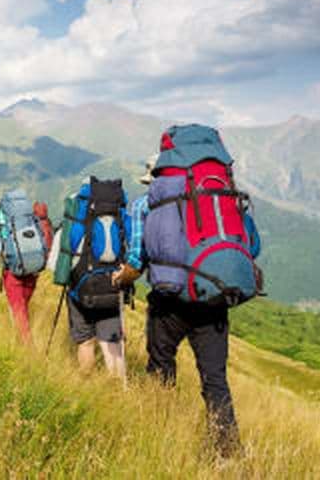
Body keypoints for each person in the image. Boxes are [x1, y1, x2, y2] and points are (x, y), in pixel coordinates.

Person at [113, 153, 245, 457]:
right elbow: (251, 244)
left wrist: (123, 278)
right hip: (211, 300)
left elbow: (136, 259)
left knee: (160, 367)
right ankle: (226, 454)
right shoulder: (214, 197)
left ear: (154, 177)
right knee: (215, 379)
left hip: (167, 301)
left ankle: (161, 437)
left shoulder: (142, 205)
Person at [48, 178, 128, 379]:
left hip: (79, 292)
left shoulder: (75, 220)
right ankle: (118, 393)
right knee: (112, 344)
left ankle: (88, 383)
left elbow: (54, 264)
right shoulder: (119, 216)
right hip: (112, 287)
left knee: (85, 342)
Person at [0, 200, 53, 345]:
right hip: (32, 271)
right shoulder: (31, 221)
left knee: (18, 312)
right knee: (23, 307)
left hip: (13, 274)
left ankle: (27, 349)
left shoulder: (4, 226)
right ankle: (21, 341)